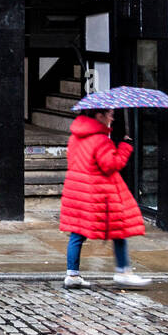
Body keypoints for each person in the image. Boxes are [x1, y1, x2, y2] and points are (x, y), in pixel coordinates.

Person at [60, 108, 150, 288]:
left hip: (76, 189)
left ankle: (73, 275)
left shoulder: (75, 136)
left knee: (77, 233)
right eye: (109, 113)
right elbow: (111, 165)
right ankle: (124, 271)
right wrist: (124, 147)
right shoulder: (100, 140)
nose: (112, 116)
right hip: (97, 192)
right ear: (98, 116)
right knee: (118, 230)